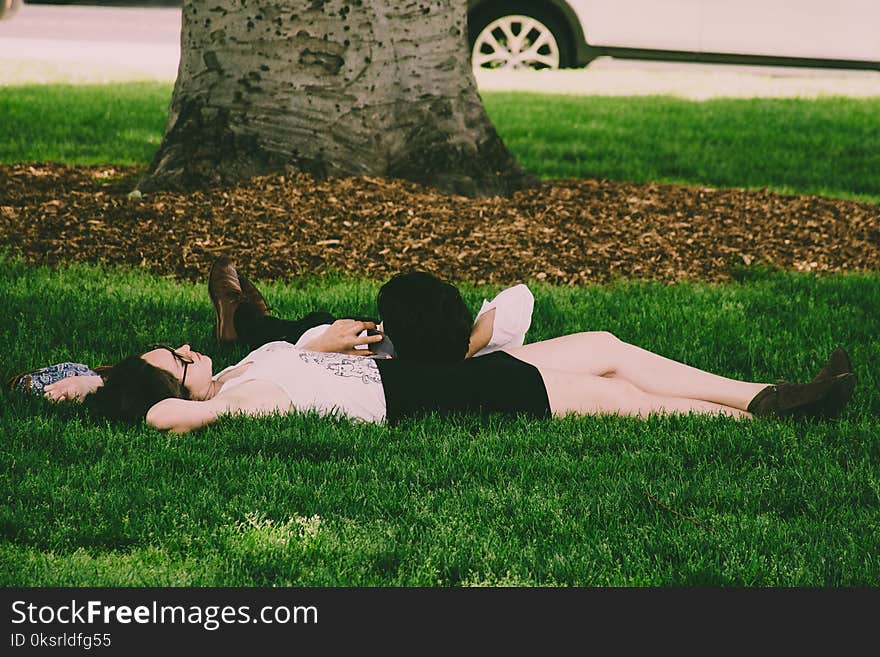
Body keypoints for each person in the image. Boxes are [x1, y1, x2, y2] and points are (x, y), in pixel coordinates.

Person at [70, 262, 855, 432]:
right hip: (425, 393)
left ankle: (765, 391)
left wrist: (328, 338)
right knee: (617, 397)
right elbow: (158, 416)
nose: (185, 349)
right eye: (178, 359)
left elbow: (294, 352)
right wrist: (117, 396)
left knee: (608, 344)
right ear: (175, 390)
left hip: (420, 367)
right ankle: (764, 421)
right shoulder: (229, 401)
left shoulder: (242, 368)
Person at [36, 258, 534, 402]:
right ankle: (241, 316)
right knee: (311, 322)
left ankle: (240, 316)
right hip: (311, 346)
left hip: (305, 348)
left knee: (302, 325)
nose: (186, 350)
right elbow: (520, 298)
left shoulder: (404, 371)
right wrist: (465, 342)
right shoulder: (443, 343)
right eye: (179, 357)